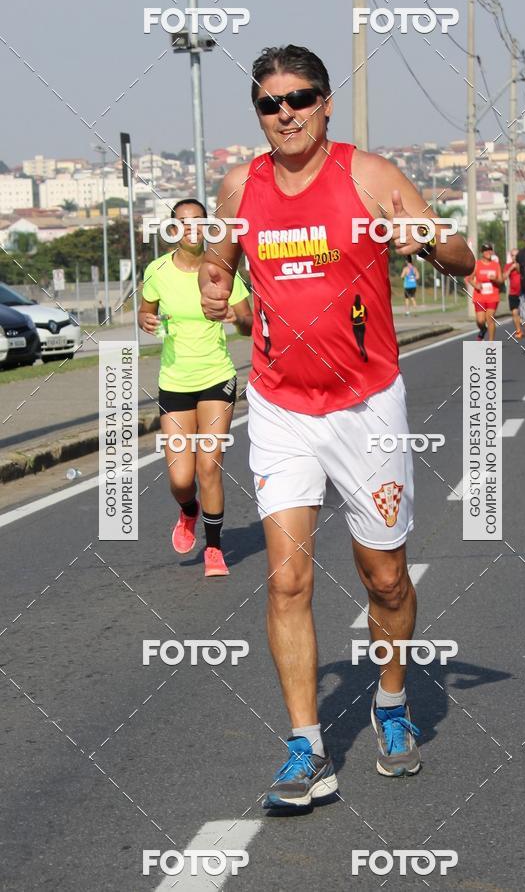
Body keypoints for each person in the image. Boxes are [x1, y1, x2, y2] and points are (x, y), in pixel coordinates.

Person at [200, 44, 474, 807]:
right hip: (283, 406)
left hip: (367, 407)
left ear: (326, 103)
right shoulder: (239, 185)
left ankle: (390, 701)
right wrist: (217, 286)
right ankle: (305, 748)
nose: (284, 113)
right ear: (258, 112)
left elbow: (458, 250)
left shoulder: (370, 175)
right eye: (269, 102)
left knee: (385, 576)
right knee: (287, 577)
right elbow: (218, 261)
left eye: (300, 98)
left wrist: (428, 242)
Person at [138, 198, 253, 577]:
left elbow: (248, 323)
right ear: (172, 229)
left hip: (217, 377)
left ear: (208, 228)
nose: (191, 229)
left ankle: (214, 549)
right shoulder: (157, 270)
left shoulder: (222, 270)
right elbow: (145, 311)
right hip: (174, 381)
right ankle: (188, 511)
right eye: (183, 223)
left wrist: (235, 315)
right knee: (181, 479)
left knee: (208, 466)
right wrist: (147, 321)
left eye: (198, 222)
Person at [467, 242, 503, 341]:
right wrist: (476, 285)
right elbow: (469, 278)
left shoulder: (496, 265)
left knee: (490, 319)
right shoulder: (477, 264)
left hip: (493, 296)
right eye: (485, 250)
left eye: (489, 250)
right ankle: (483, 329)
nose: (488, 252)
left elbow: (501, 280)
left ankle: (491, 342)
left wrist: (494, 279)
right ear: (482, 252)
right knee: (480, 320)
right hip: (479, 296)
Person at [503, 248, 523, 338]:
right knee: (514, 312)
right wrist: (511, 269)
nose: (514, 257)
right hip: (513, 292)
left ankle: (522, 321)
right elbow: (504, 277)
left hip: (524, 292)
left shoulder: (523, 264)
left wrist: (517, 266)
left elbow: (521, 271)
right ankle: (518, 331)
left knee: (523, 312)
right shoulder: (508, 266)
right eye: (512, 255)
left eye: (516, 255)